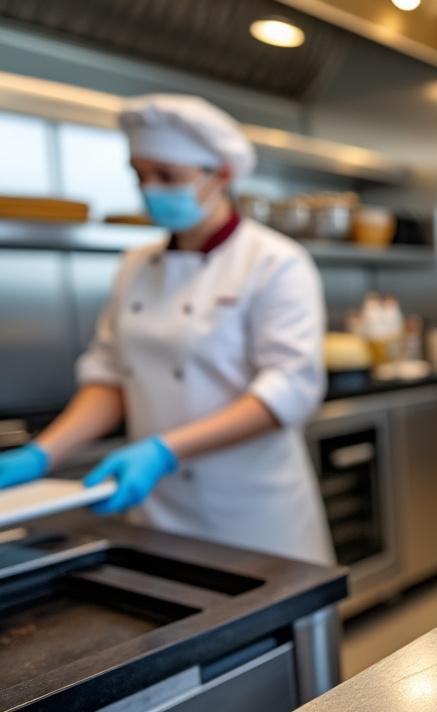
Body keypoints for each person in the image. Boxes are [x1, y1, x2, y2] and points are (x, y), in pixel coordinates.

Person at [0, 95, 332, 564]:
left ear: (221, 175)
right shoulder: (135, 266)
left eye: (167, 176)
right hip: (156, 508)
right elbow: (110, 377)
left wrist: (164, 450)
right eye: (140, 174)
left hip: (251, 511)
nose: (150, 189)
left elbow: (289, 389)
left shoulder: (275, 262)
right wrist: (43, 454)